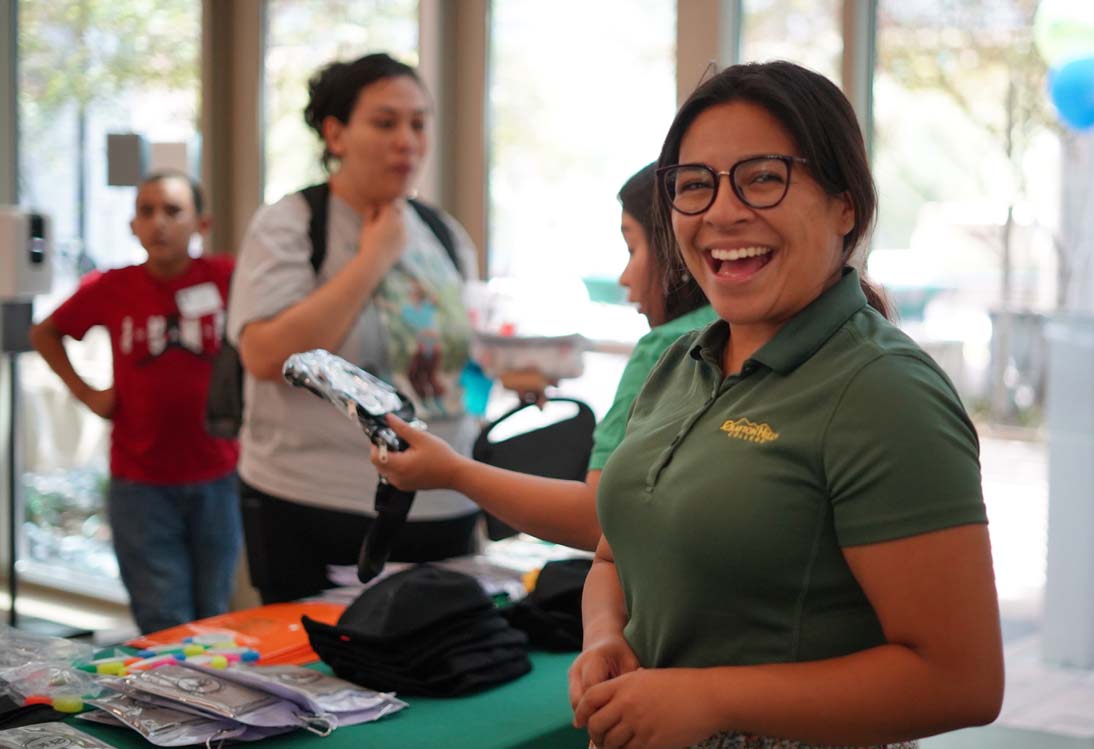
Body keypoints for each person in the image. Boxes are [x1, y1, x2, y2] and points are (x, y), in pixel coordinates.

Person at [568, 61, 1004, 749]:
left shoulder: (885, 392)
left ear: (845, 205)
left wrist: (709, 698)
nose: (721, 211)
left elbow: (961, 680)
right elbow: (613, 557)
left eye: (763, 177)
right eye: (694, 185)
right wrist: (603, 638)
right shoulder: (681, 363)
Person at [226, 52, 483, 604]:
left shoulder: (444, 233)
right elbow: (265, 356)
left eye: (418, 124)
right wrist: (373, 259)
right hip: (315, 504)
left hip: (446, 503)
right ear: (336, 134)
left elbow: (459, 360)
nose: (407, 141)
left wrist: (515, 371)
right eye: (385, 123)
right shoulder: (291, 224)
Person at [370, 163, 715, 551]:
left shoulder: (665, 350)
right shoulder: (742, 335)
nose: (623, 278)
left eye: (632, 249)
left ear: (674, 248)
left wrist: (453, 472)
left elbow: (596, 519)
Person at [29, 171, 240, 634]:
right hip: (141, 483)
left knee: (213, 616)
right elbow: (45, 333)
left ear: (202, 225)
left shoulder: (226, 277)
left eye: (173, 211)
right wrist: (88, 393)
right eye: (147, 211)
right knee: (164, 619)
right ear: (133, 226)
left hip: (218, 477)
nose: (159, 222)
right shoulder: (113, 286)